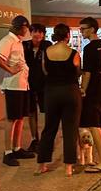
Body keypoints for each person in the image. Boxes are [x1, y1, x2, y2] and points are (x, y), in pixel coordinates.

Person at [35, 23, 82, 177]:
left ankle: (41, 164)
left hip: (51, 92)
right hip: (70, 91)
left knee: (49, 128)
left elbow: (44, 71)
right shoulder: (73, 53)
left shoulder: (46, 51)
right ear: (68, 35)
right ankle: (68, 167)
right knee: (70, 129)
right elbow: (77, 72)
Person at [0, 15, 35, 166]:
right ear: (21, 27)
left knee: (19, 117)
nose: (28, 31)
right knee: (11, 118)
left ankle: (16, 147)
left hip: (21, 84)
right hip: (12, 85)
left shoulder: (17, 41)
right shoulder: (7, 41)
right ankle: (8, 152)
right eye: (26, 28)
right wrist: (10, 70)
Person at [79, 17, 101, 172]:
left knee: (94, 125)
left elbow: (87, 72)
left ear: (92, 29)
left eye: (83, 29)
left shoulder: (90, 48)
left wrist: (83, 88)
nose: (81, 32)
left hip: (94, 89)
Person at [23, 23, 52, 152]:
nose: (37, 34)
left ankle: (46, 139)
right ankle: (35, 139)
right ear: (30, 32)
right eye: (35, 31)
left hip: (45, 84)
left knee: (47, 111)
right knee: (31, 112)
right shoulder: (25, 45)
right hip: (28, 83)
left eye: (40, 32)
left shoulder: (47, 45)